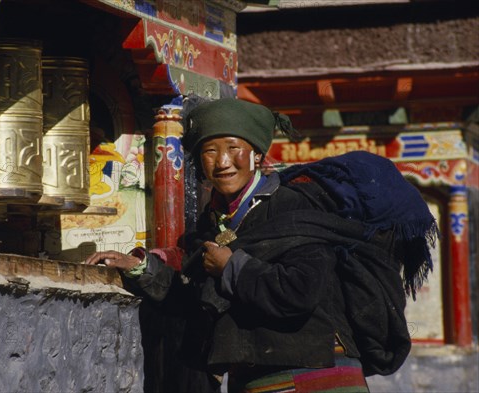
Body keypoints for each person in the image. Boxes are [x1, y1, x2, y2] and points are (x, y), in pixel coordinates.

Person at [86, 98, 436, 393]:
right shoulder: (216, 226)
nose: (222, 162)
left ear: (256, 154)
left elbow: (300, 290)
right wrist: (140, 268)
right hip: (259, 378)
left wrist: (231, 266)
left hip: (314, 375)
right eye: (210, 151)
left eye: (233, 148)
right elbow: (194, 297)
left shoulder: (290, 207)